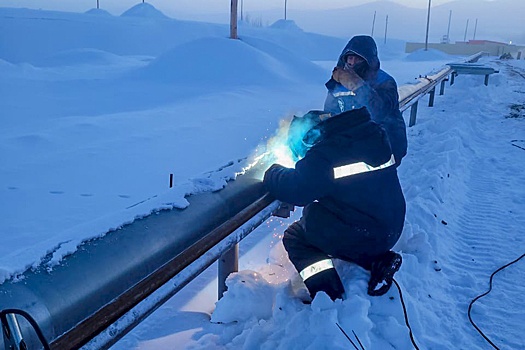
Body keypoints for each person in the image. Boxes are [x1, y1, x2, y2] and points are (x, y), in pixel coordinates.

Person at [263, 105, 406, 301]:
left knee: (297, 234)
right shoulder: (371, 132)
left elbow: (296, 190)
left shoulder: (325, 153)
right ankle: (375, 260)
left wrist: (272, 172)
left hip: (366, 234)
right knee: (326, 211)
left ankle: (328, 295)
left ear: (310, 138)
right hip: (391, 226)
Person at [324, 35, 408, 166]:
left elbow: (379, 112)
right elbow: (330, 113)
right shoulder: (339, 82)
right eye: (349, 58)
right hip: (351, 144)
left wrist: (357, 85)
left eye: (357, 58)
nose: (352, 62)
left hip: (385, 144)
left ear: (368, 60)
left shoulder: (384, 82)